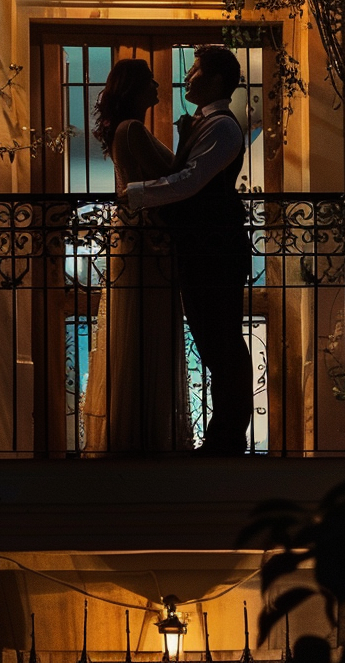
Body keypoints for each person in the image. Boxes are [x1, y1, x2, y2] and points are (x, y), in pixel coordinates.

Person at [125, 46, 253, 455]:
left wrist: (136, 193)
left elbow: (191, 180)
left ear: (215, 79)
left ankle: (228, 439)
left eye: (196, 68)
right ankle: (224, 436)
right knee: (214, 341)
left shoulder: (223, 128)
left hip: (216, 248)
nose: (188, 73)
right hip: (202, 246)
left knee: (223, 343)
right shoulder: (207, 123)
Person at [82, 59, 193, 454]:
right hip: (147, 244)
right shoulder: (132, 131)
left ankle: (138, 430)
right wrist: (189, 136)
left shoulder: (129, 130)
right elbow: (176, 179)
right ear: (134, 89)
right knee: (149, 330)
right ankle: (144, 436)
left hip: (139, 240)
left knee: (142, 330)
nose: (158, 85)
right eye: (150, 80)